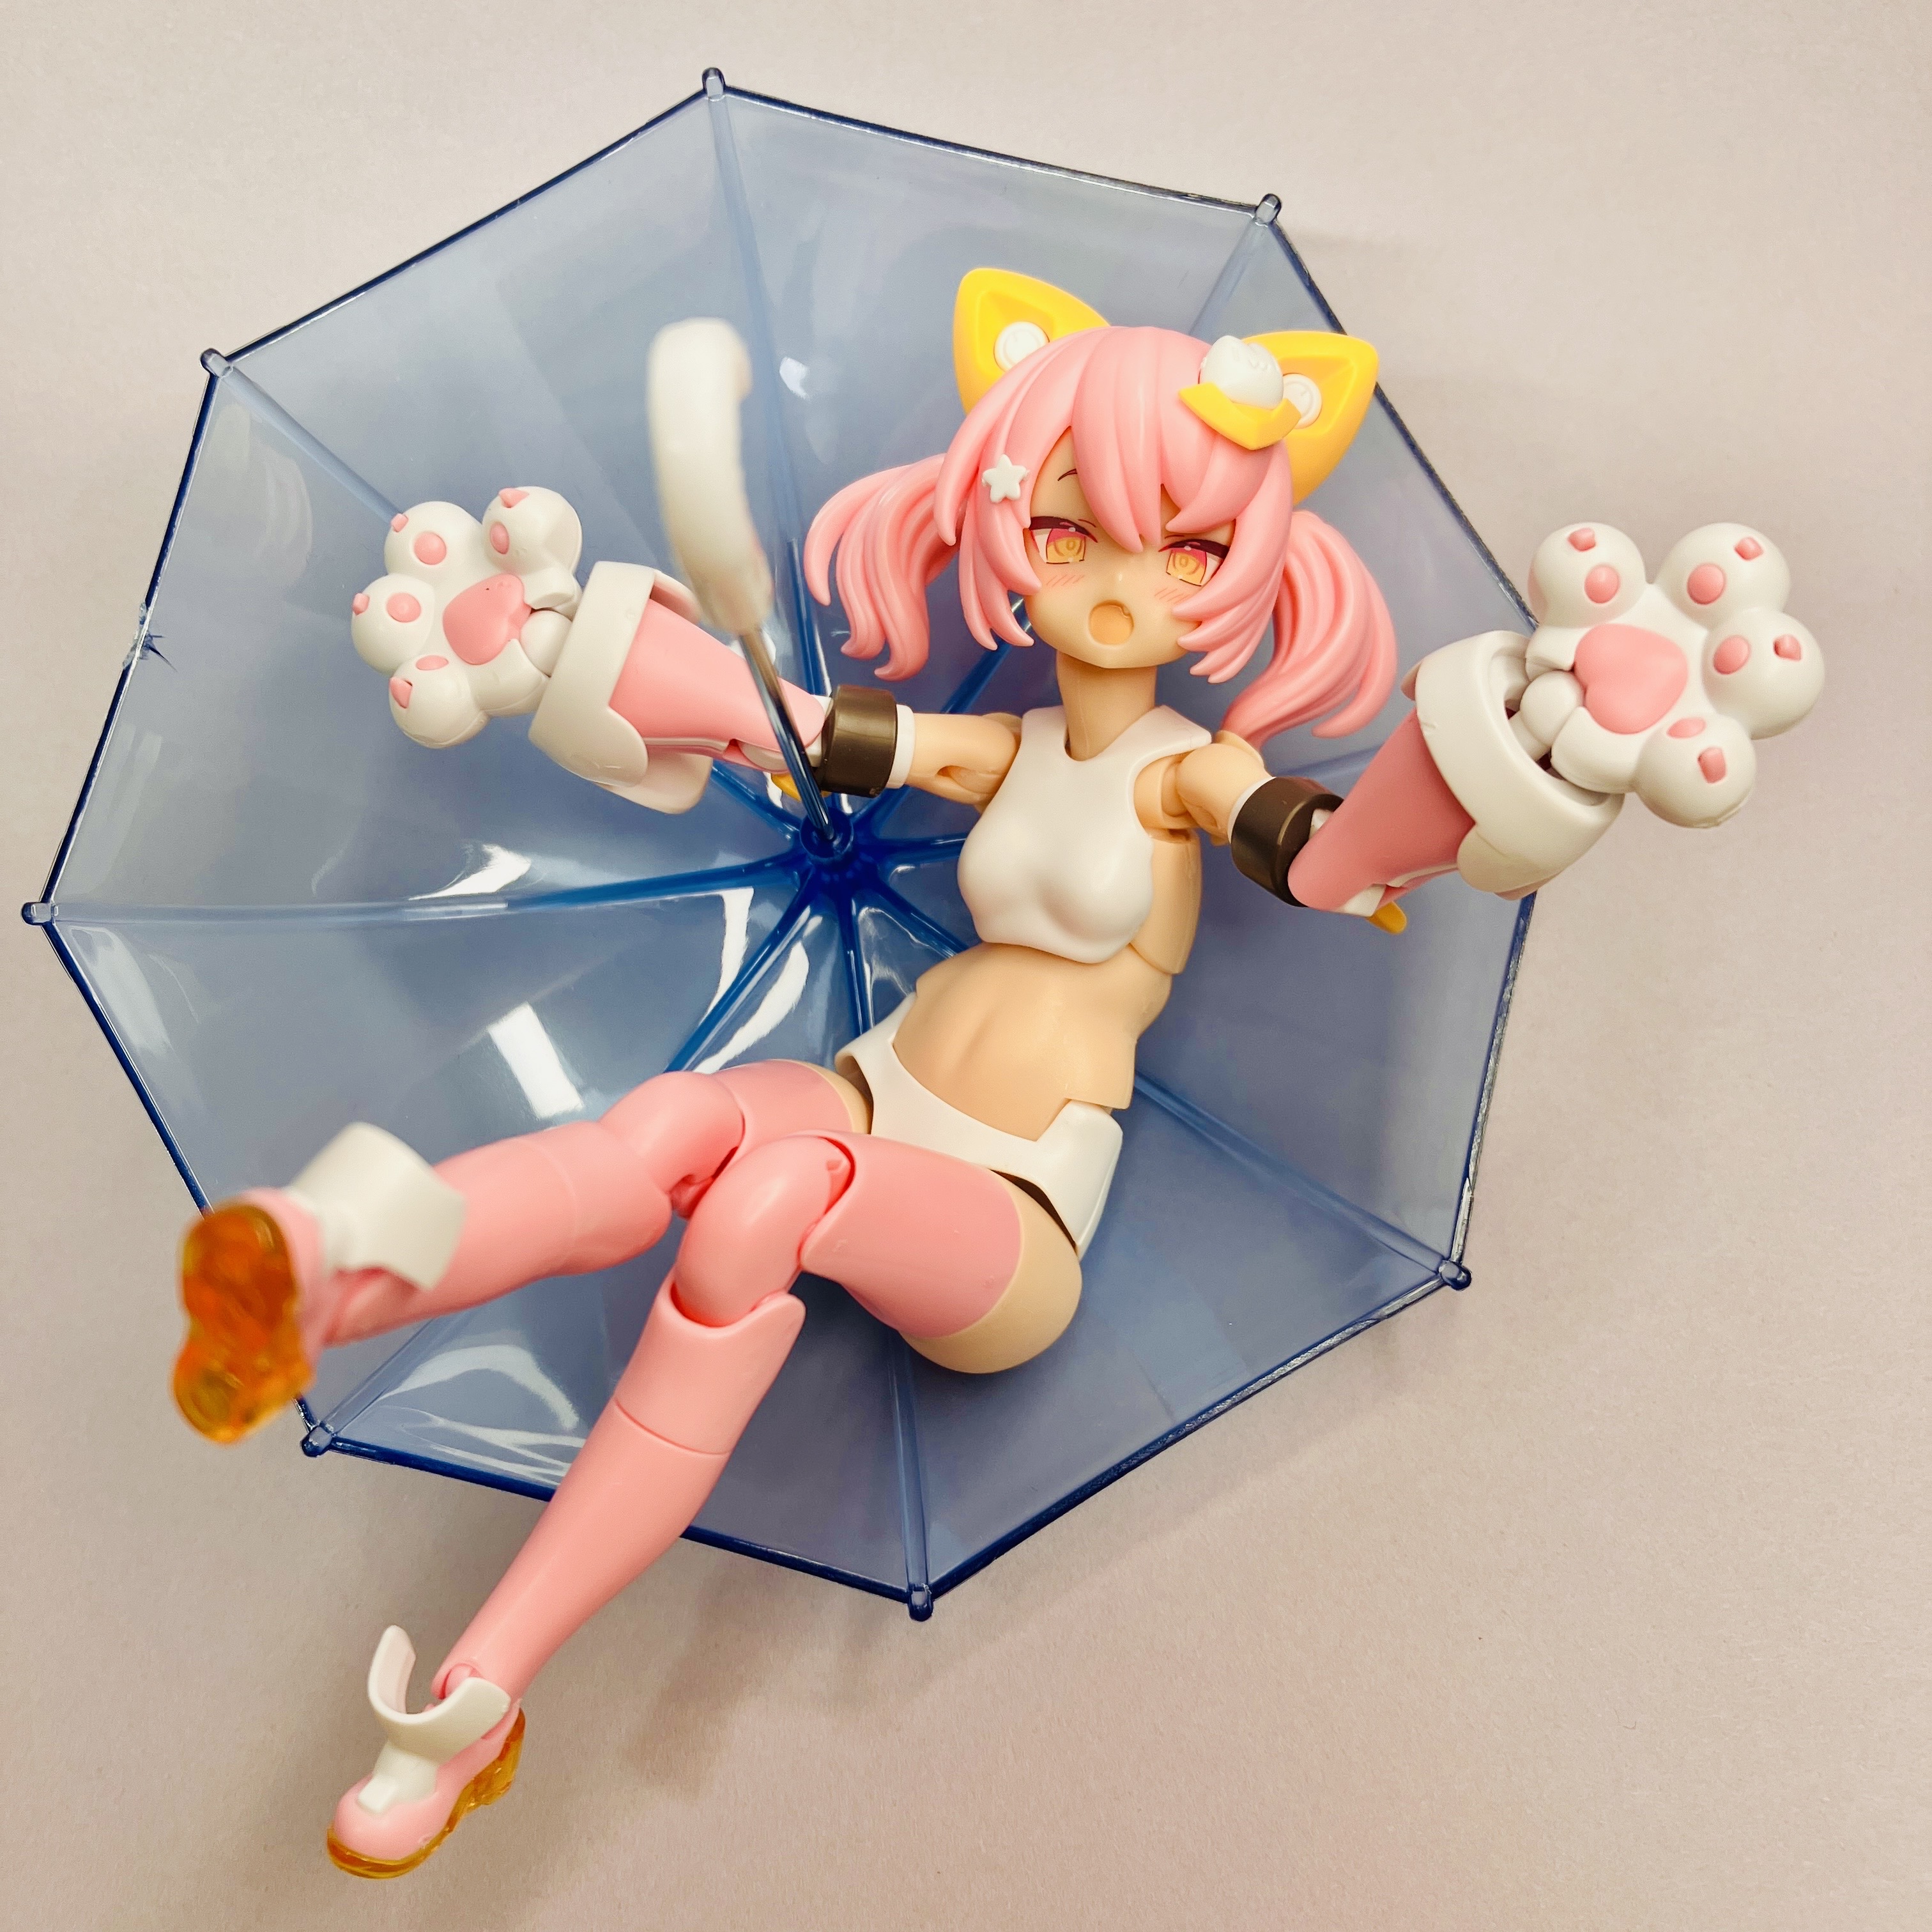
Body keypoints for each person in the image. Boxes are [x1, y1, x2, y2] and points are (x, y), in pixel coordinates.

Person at [174, 271, 1400, 1876]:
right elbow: (814, 730)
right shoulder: (1018, 747)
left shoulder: (1194, 770)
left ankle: (491, 1666)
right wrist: (596, 658)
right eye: (1070, 529)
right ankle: (342, 1270)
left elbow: (1307, 851)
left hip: (1011, 1212)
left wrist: (1462, 802)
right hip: (879, 1092)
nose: (1116, 586)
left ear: (1252, 567)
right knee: (678, 1122)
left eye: (1187, 549)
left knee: (769, 1196)